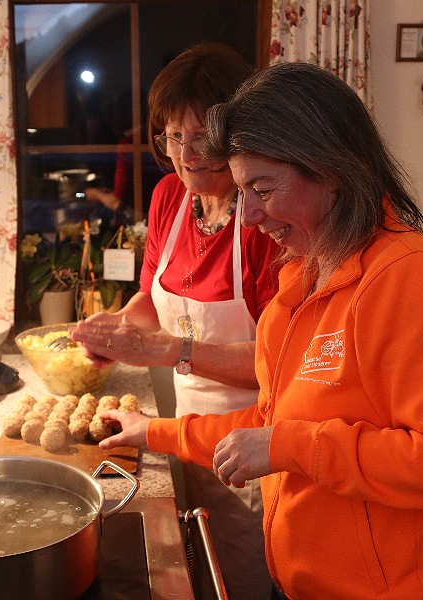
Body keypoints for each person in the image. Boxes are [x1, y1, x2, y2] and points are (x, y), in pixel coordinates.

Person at [94, 62, 423, 600]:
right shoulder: (303, 280)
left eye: (263, 189)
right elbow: (270, 423)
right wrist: (154, 433)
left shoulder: (414, 282)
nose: (249, 216)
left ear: (330, 170)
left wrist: (294, 447)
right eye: (242, 192)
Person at [71, 42, 280, 600]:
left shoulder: (264, 220)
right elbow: (153, 298)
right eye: (172, 136)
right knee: (195, 571)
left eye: (202, 136)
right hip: (186, 429)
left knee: (240, 581)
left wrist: (168, 351)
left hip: (254, 446)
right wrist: (116, 331)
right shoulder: (169, 197)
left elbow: (276, 367)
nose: (186, 154)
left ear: (237, 132)